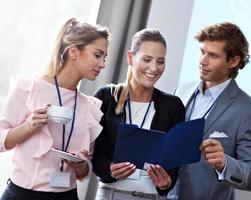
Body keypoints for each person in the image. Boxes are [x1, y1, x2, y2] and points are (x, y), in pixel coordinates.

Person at [0, 18, 110, 200]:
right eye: (97, 55)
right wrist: (29, 126)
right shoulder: (29, 88)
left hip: (66, 195)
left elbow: (85, 170)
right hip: (23, 195)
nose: (102, 64)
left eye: (105, 58)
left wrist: (81, 166)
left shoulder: (89, 106)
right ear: (74, 51)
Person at [170, 22, 251, 200]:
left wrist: (224, 163)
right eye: (202, 52)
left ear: (233, 61)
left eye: (213, 55)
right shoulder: (180, 91)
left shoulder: (250, 112)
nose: (202, 61)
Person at [92, 28, 186, 200]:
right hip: (109, 195)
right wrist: (109, 168)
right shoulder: (106, 97)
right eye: (147, 59)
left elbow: (174, 164)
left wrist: (166, 183)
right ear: (130, 58)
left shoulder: (173, 106)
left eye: (160, 61)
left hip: (151, 196)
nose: (154, 68)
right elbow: (94, 152)